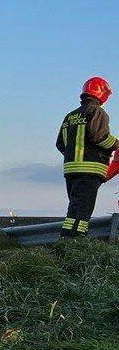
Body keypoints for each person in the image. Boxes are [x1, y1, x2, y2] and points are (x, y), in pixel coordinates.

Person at [56, 76, 116, 237]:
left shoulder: (70, 116)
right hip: (90, 170)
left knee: (74, 207)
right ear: (102, 93)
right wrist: (116, 144)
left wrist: (73, 156)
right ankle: (78, 241)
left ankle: (67, 240)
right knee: (83, 211)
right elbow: (99, 137)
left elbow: (60, 144)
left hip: (71, 170)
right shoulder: (97, 112)